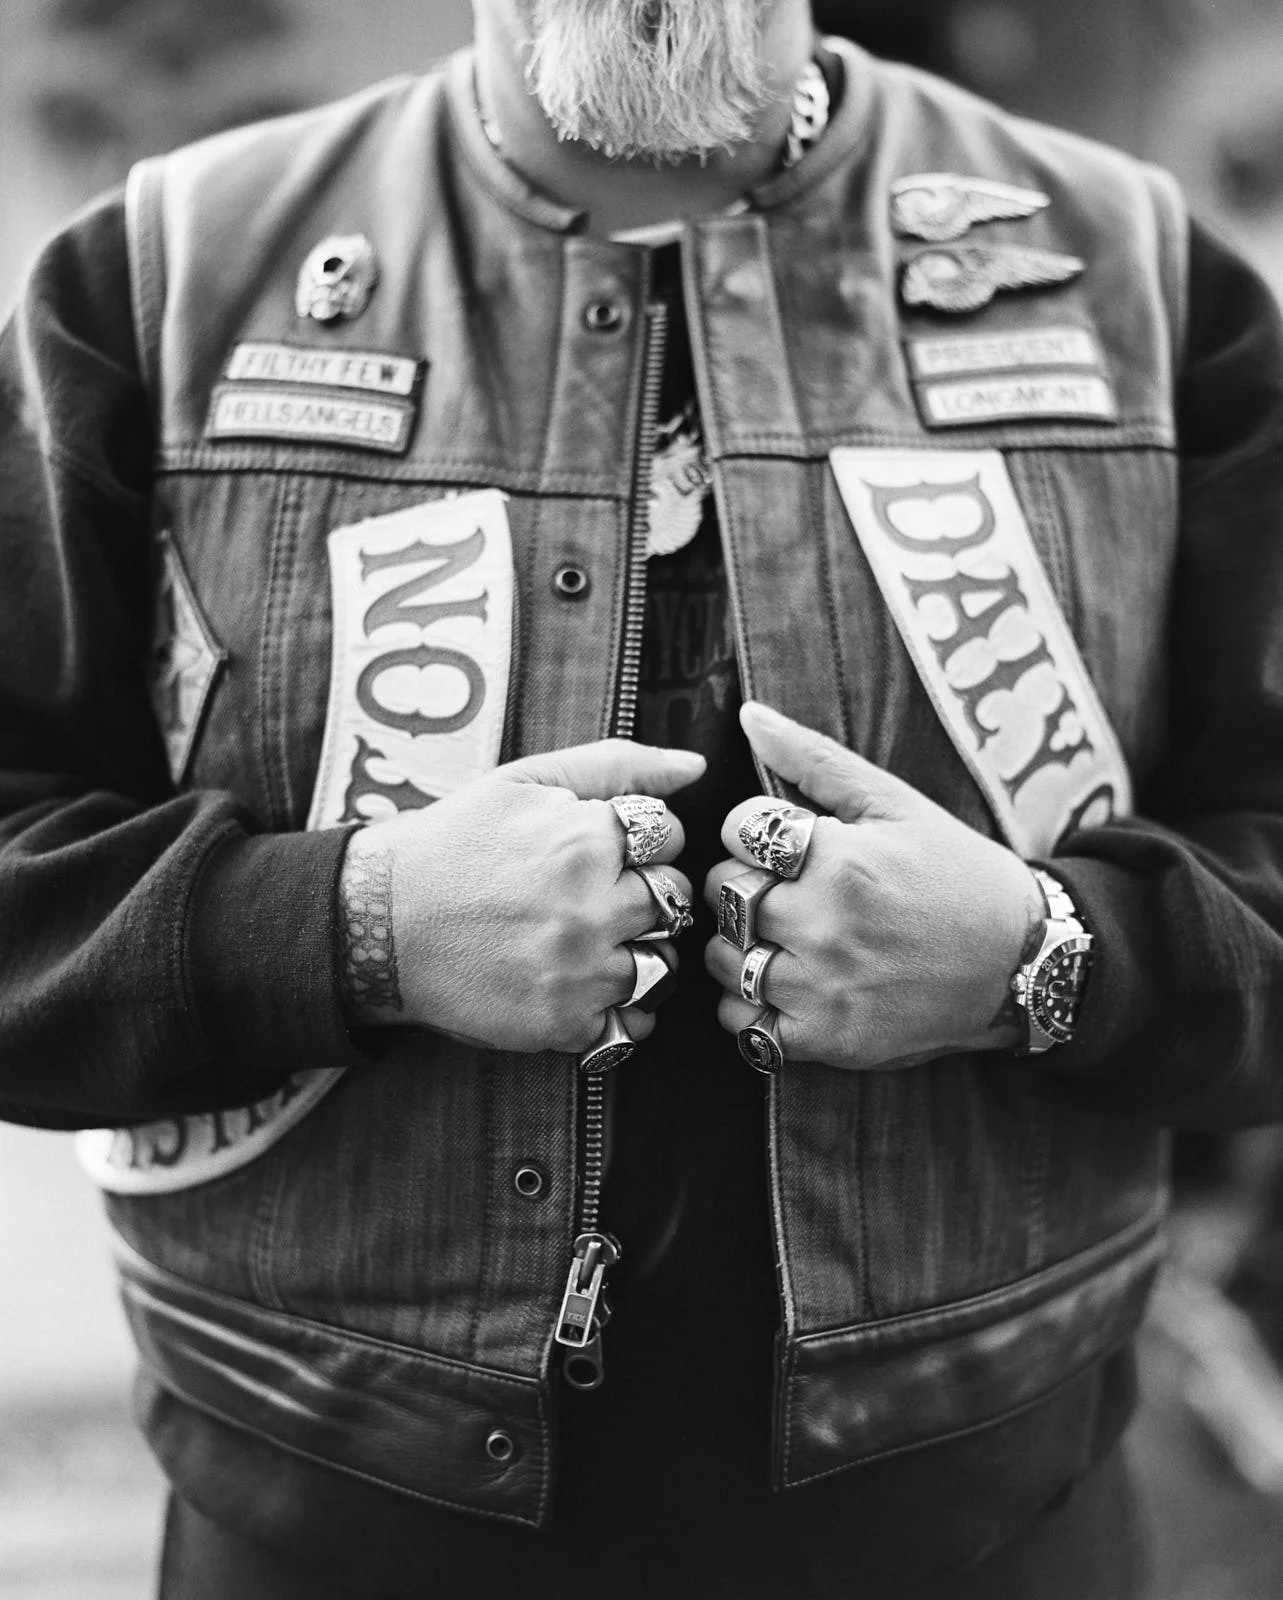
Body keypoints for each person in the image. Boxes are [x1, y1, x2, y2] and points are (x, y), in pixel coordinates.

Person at [2, 1, 1282, 1595]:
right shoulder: (152, 282)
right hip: (327, 1518)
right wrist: (354, 926)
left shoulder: (1147, 283)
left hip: (989, 1522)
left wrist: (1042, 955)